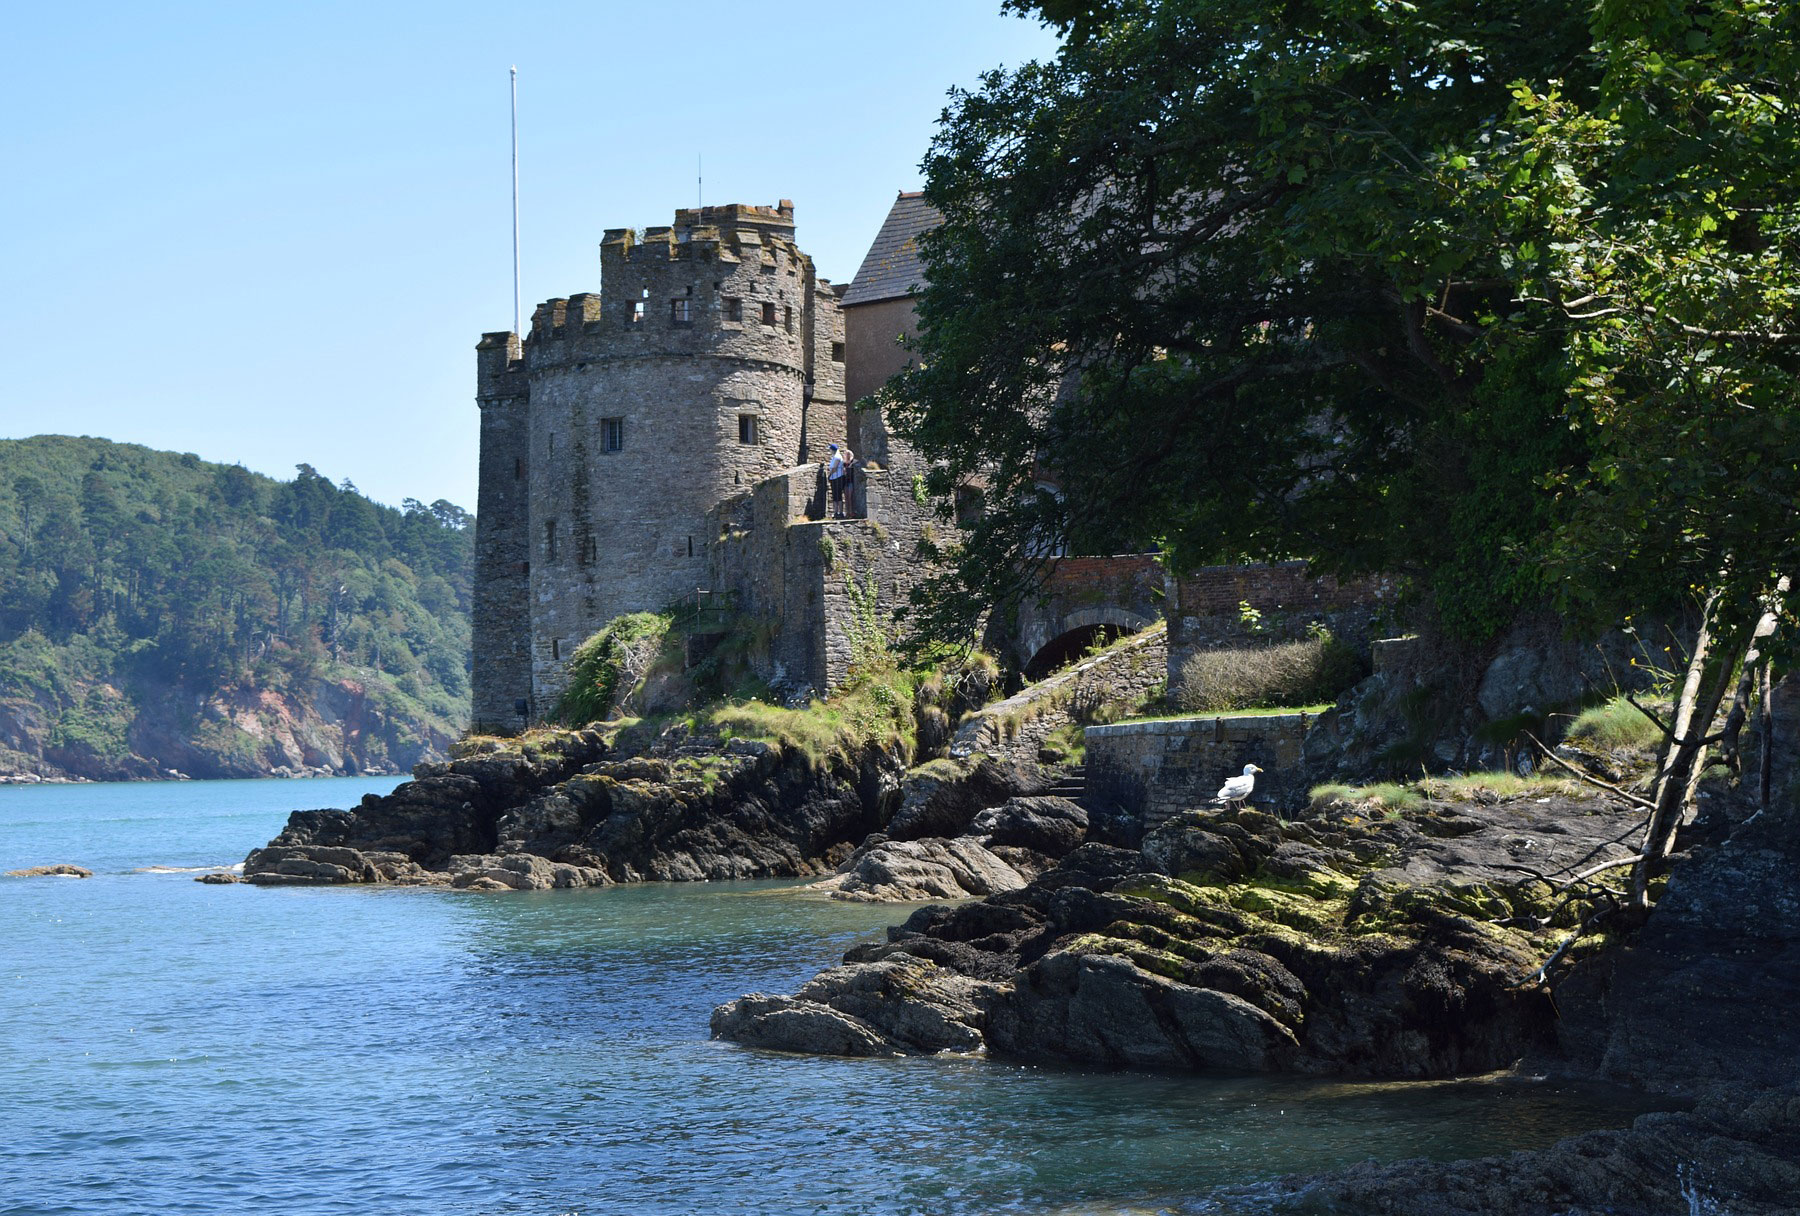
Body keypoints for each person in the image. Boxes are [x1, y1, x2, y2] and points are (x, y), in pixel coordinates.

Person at [827, 443, 854, 518]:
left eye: (830, 449)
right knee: (835, 496)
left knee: (838, 495)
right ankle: (836, 512)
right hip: (834, 478)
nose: (829, 451)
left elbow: (835, 468)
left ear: (833, 450)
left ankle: (840, 512)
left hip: (837, 478)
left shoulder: (837, 457)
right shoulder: (834, 457)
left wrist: (829, 476)